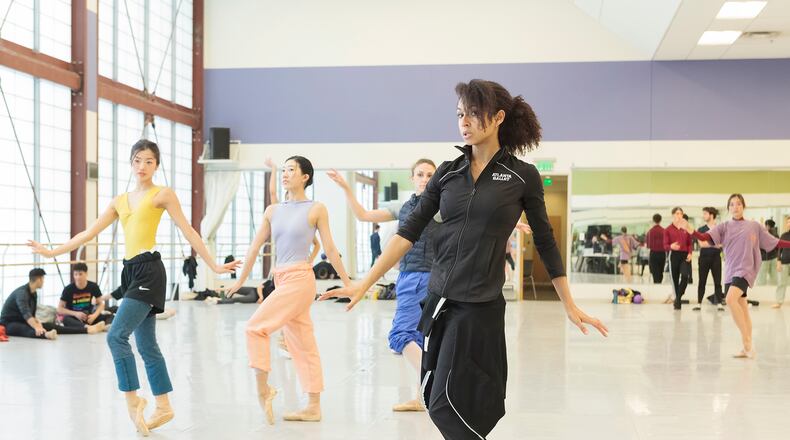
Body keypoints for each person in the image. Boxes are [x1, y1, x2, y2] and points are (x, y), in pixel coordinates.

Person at [322, 79, 607, 439]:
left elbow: (547, 242)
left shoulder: (522, 177)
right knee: (435, 394)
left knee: (446, 402)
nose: (464, 122)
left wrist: (569, 303)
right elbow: (408, 231)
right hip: (439, 299)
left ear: (499, 117)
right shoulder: (448, 171)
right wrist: (363, 282)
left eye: (474, 113)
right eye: (460, 114)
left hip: (478, 305)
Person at [28, 140, 238, 436]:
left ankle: (133, 400)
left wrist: (214, 266)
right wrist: (51, 252)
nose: (143, 167)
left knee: (116, 336)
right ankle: (163, 405)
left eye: (149, 161)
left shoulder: (162, 194)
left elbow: (188, 230)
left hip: (150, 271)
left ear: (157, 165)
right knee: (147, 345)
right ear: (131, 163)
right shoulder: (119, 201)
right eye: (138, 160)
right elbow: (88, 232)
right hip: (129, 272)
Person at [229, 155, 351, 425]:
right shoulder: (273, 210)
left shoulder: (316, 208)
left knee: (255, 327)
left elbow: (329, 248)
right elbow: (254, 247)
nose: (286, 174)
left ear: (305, 176)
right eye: (283, 170)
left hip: (300, 278)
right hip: (281, 278)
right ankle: (313, 406)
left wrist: (348, 282)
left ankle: (264, 390)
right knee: (303, 343)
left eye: (291, 170)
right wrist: (241, 280)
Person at [327, 158, 440, 412]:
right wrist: (347, 188)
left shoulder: (444, 205)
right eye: (420, 174)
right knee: (421, 339)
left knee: (400, 336)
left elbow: (474, 219)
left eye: (429, 175)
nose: (424, 178)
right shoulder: (403, 207)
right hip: (413, 275)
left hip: (424, 278)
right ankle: (424, 397)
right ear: (412, 178)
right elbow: (363, 215)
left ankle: (434, 383)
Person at [686, 194, 790, 358]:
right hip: (730, 272)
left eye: (739, 204)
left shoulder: (754, 226)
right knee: (742, 306)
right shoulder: (724, 226)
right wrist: (691, 231)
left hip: (745, 270)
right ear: (728, 208)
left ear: (744, 207)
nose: (736, 207)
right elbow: (705, 237)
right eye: (732, 204)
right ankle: (747, 348)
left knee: (729, 299)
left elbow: (774, 242)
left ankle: (747, 341)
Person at [0, 268, 88, 339]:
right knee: (27, 329)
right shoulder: (22, 293)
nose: (43, 281)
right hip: (8, 324)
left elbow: (32, 314)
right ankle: (46, 335)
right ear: (38, 279)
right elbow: (26, 313)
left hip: (22, 320)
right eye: (42, 279)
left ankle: (85, 330)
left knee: (49, 325)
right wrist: (37, 327)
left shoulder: (33, 292)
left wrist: (37, 323)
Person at [57, 263, 114, 333]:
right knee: (66, 319)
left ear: (86, 274)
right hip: (75, 318)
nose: (78, 277)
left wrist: (94, 316)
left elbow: (101, 304)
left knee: (110, 316)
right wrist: (75, 314)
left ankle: (101, 328)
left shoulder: (93, 286)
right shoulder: (68, 289)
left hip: (89, 317)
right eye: (75, 274)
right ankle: (89, 328)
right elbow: (59, 309)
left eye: (80, 274)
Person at [695, 207, 724, 311]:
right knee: (702, 281)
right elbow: (701, 244)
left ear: (711, 215)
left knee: (717, 281)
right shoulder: (701, 230)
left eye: (705, 214)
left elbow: (722, 243)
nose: (703, 216)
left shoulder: (719, 229)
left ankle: (719, 303)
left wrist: (715, 244)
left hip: (716, 258)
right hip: (704, 258)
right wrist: (714, 244)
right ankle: (699, 303)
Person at [664, 207, 692, 310]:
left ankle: (678, 297)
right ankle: (678, 301)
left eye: (680, 214)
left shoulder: (686, 228)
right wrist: (671, 246)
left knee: (685, 276)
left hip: (684, 256)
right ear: (673, 215)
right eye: (677, 213)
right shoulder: (667, 230)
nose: (679, 215)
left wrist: (690, 252)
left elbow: (690, 243)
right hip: (674, 256)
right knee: (675, 280)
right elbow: (665, 245)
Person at [773, 217, 790, 308]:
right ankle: (779, 302)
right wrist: (778, 261)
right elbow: (780, 249)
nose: (789, 224)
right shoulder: (784, 235)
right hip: (784, 262)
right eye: (788, 222)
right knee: (781, 283)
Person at [646, 214, 666, 284]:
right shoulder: (664, 231)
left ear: (653, 220)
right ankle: (659, 284)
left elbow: (648, 245)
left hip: (653, 253)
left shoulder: (650, 232)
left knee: (655, 273)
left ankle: (656, 285)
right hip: (662, 254)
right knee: (660, 272)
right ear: (660, 220)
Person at [758, 219, 779, 285]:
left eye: (766, 225)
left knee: (762, 277)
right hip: (772, 257)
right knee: (773, 276)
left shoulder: (763, 234)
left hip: (765, 258)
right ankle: (772, 289)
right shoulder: (776, 235)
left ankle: (762, 289)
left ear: (768, 226)